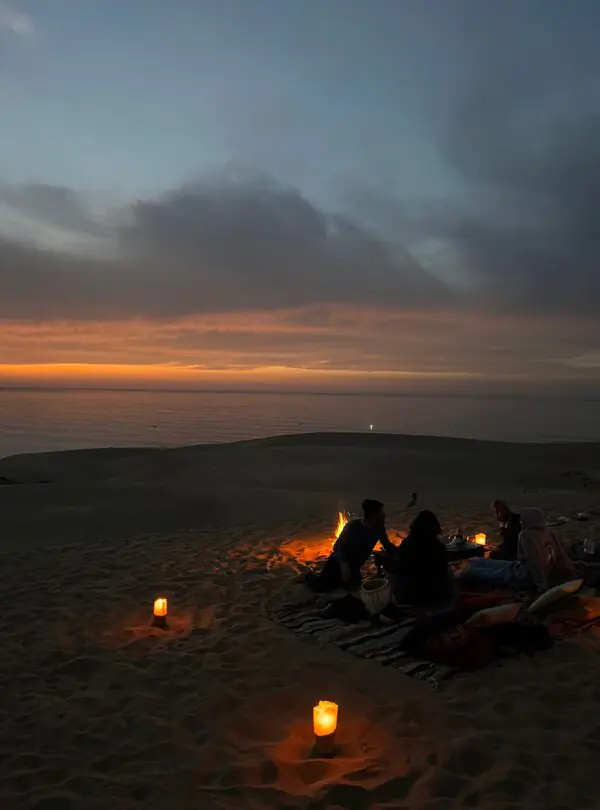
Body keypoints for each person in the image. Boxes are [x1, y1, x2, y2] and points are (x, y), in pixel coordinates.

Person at [458, 507, 576, 592]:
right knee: (481, 562)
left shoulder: (526, 535)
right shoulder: (549, 533)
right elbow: (561, 555)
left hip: (525, 576)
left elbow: (534, 561)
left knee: (484, 572)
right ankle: (470, 564)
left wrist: (541, 585)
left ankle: (463, 571)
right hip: (521, 567)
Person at [308, 499, 396, 591]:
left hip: (354, 567)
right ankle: (307, 575)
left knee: (354, 587)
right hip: (338, 563)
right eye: (381, 512)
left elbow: (387, 544)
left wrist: (402, 552)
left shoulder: (379, 528)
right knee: (321, 587)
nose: (384, 515)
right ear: (374, 515)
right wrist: (344, 564)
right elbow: (337, 546)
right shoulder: (353, 526)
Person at [391, 510, 456, 607]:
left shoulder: (407, 543)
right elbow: (442, 570)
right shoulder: (437, 547)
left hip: (408, 592)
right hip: (431, 594)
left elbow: (399, 566)